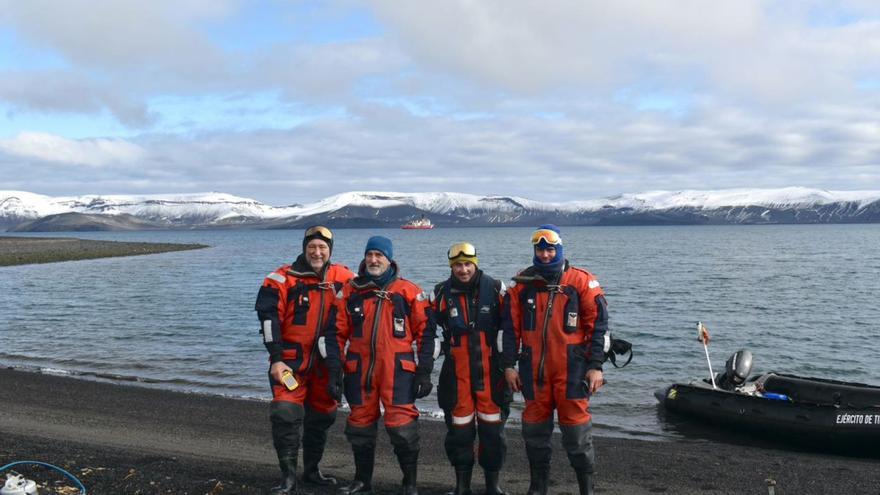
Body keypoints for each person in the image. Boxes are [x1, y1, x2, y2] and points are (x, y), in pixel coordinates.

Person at [322, 236, 438, 495]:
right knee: (359, 427)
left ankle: (409, 485)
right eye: (370, 255)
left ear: (389, 259)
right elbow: (334, 334)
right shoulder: (350, 291)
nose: (374, 260)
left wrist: (425, 371)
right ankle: (362, 482)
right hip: (359, 370)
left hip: (397, 371)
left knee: (403, 430)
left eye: (379, 255)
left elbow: (427, 335)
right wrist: (334, 371)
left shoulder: (408, 291)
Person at [501, 225, 609, 495]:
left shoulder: (581, 282)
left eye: (550, 249)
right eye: (540, 249)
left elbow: (599, 327)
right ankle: (538, 487)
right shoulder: (521, 285)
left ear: (559, 249)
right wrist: (508, 366)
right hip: (533, 370)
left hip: (572, 370)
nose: (546, 254)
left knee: (576, 433)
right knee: (535, 432)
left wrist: (595, 367)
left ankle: (586, 488)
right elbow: (510, 331)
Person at [254, 226, 355, 495]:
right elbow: (268, 320)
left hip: (327, 365)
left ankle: (311, 471)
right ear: (304, 248)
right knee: (285, 415)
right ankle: (288, 478)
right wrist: (276, 359)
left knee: (323, 417)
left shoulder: (345, 278)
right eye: (312, 247)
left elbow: (370, 302)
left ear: (330, 250)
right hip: (290, 363)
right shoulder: (281, 278)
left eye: (322, 247)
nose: (317, 252)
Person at [432, 242, 510, 495]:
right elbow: (427, 329)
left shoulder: (497, 289)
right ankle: (461, 487)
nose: (463, 270)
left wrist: (512, 365)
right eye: (457, 265)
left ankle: (492, 487)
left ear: (475, 263)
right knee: (459, 432)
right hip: (457, 373)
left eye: (467, 264)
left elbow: (513, 327)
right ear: (451, 267)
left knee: (493, 433)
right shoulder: (441, 293)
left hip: (491, 373)